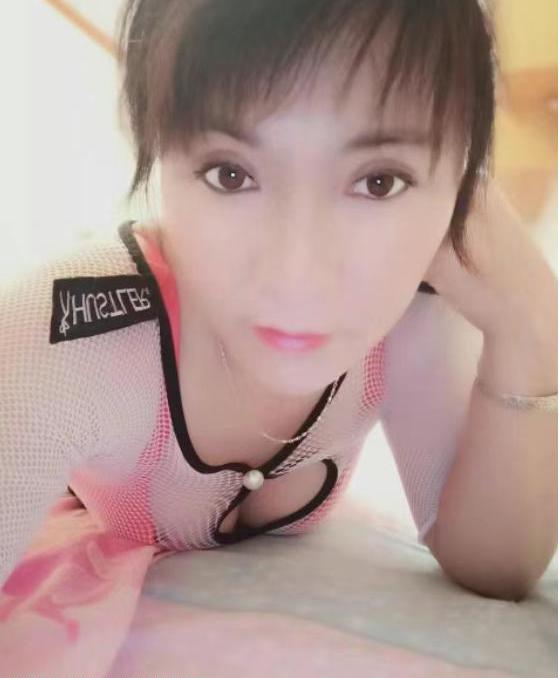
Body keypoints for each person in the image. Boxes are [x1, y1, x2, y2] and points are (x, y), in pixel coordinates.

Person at [1, 0, 556, 600]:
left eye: (378, 182)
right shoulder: (72, 335)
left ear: (463, 187)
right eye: (230, 174)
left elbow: (496, 566)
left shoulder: (417, 310)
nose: (297, 275)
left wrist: (534, 321)